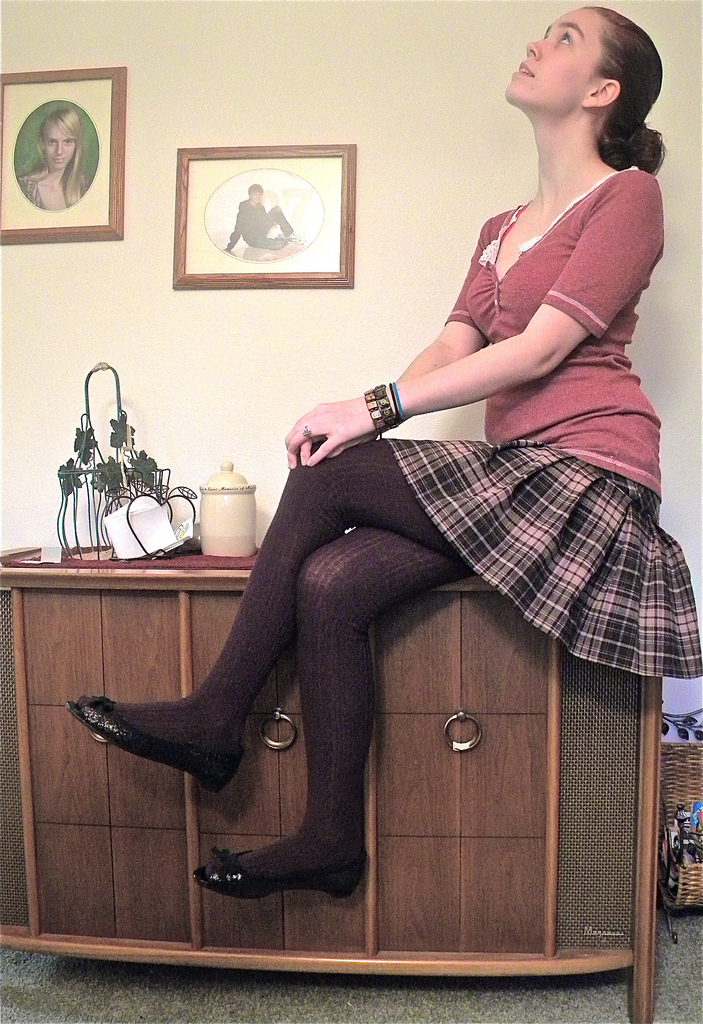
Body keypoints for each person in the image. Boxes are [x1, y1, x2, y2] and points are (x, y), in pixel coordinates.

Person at [68, 6, 702, 901]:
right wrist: (370, 416)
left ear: (603, 90)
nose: (536, 42)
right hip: (515, 473)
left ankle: (215, 716)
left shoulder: (626, 197)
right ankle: (330, 841)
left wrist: (369, 412)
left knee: (330, 471)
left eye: (564, 37)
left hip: (586, 475)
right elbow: (453, 345)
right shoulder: (500, 227)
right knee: (331, 582)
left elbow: (538, 351)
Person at [17, 106, 89, 211]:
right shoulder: (24, 188)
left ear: (76, 145)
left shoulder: (82, 186)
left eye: (67, 142)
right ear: (42, 144)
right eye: (52, 142)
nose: (59, 151)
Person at [225, 183, 296, 252]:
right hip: (252, 239)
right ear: (250, 195)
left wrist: (276, 212)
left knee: (276, 210)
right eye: (255, 194)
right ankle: (282, 239)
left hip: (260, 234)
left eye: (259, 194)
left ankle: (289, 235)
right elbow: (238, 228)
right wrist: (229, 247)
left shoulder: (260, 207)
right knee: (278, 245)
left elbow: (265, 223)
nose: (257, 197)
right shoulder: (244, 208)